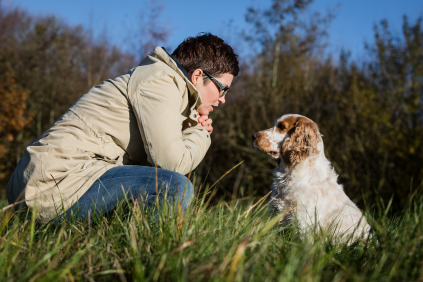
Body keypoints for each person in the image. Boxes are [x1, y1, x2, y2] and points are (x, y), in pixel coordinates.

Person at [6, 33, 239, 223]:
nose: (223, 99)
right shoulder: (161, 82)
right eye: (223, 88)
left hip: (59, 181)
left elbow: (150, 166)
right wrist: (200, 132)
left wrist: (187, 126)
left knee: (161, 183)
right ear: (198, 76)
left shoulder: (164, 89)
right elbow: (173, 164)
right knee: (174, 187)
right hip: (54, 183)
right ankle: (141, 261)